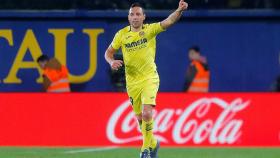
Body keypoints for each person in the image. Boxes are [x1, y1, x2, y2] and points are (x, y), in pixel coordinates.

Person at [104, 1, 188, 157]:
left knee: (147, 113)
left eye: (138, 14)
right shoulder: (121, 35)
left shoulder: (150, 30)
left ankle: (145, 150)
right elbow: (108, 53)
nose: (135, 17)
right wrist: (111, 61)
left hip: (149, 78)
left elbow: (168, 21)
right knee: (141, 120)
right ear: (128, 17)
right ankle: (154, 143)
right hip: (132, 82)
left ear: (143, 17)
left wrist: (179, 10)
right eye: (131, 14)